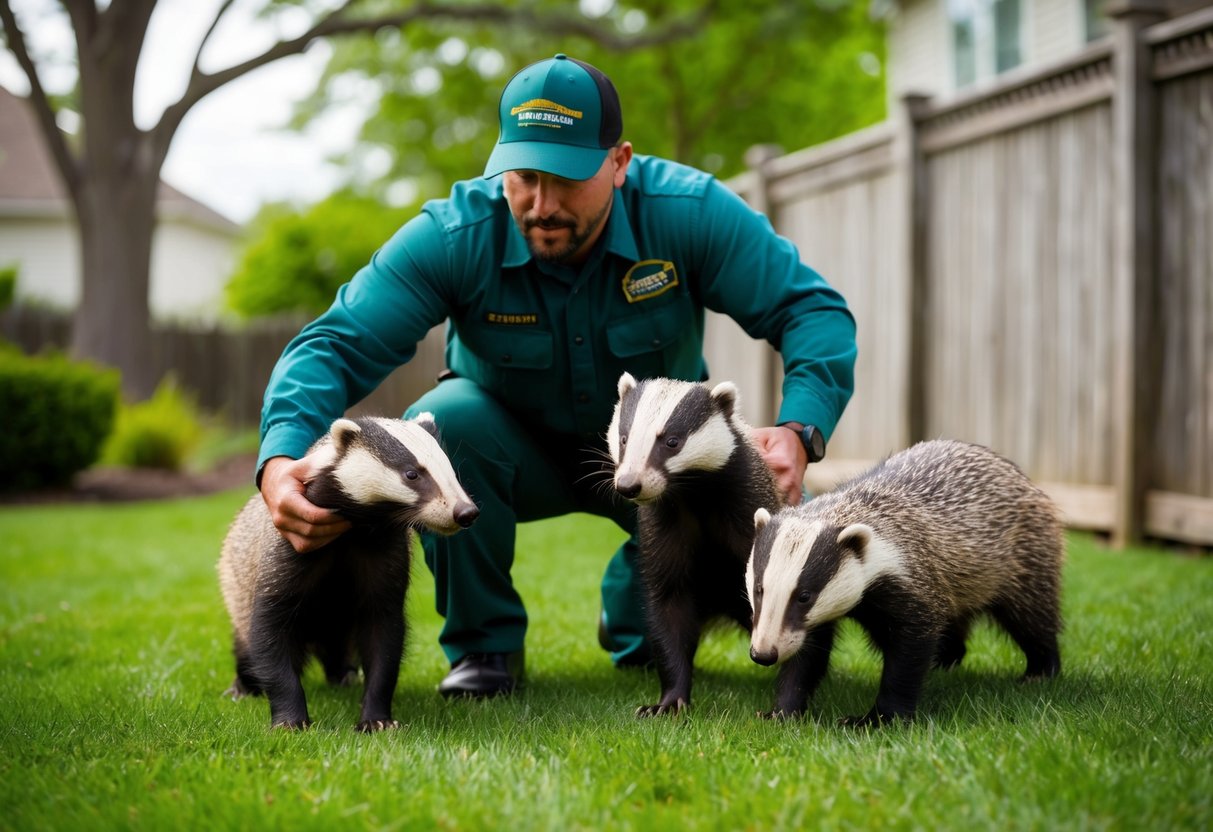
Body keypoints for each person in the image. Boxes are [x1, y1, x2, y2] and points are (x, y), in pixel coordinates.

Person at [256, 53, 857, 698]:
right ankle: (484, 649)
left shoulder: (688, 211)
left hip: (662, 465)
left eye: (567, 177)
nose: (542, 204)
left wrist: (799, 427)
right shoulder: (456, 235)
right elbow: (335, 343)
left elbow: (811, 310)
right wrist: (281, 457)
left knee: (650, 629)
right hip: (507, 451)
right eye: (524, 176)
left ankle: (629, 608)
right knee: (446, 422)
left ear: (620, 163)